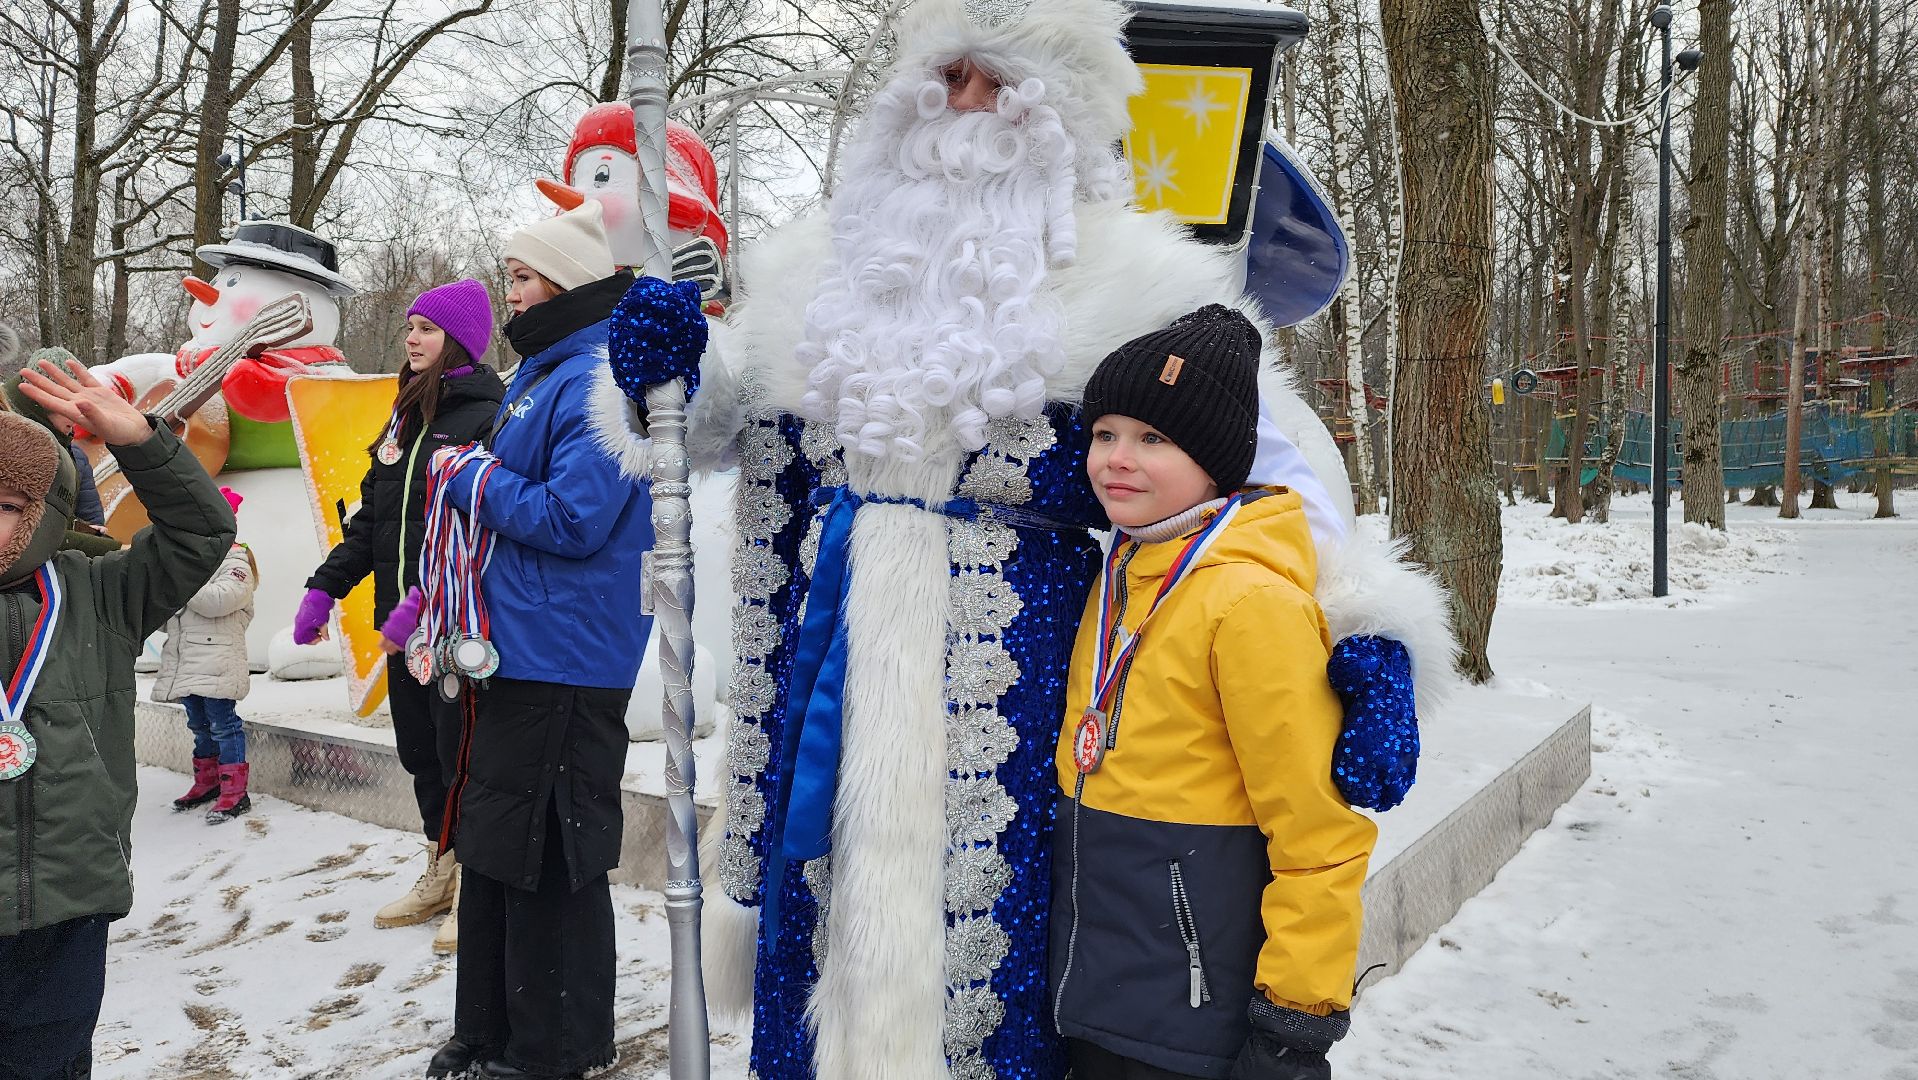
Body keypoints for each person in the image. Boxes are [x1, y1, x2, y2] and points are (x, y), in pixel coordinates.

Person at [607, 1, 1447, 1075]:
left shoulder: (1137, 282)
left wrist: (1367, 629)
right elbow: (711, 437)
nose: (960, 105)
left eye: (996, 81)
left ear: (1062, 110)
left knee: (994, 984)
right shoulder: (813, 270)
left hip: (1024, 697)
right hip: (828, 672)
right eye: (945, 73)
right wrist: (666, 373)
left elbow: (1272, 478)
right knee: (819, 951)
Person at [417, 203, 706, 1080]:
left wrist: (472, 477)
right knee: (498, 849)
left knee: (547, 855)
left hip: (566, 657)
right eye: (509, 274)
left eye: (522, 275)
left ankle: (553, 1047)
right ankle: (492, 1030)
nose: (510, 290)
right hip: (513, 651)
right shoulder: (538, 371)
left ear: (569, 283)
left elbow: (576, 519)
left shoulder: (597, 378)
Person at [1050, 308, 1375, 1080]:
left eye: (1155, 439)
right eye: (1105, 433)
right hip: (1094, 1004)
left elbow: (1319, 840)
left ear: (1217, 461)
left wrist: (1291, 1033)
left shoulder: (1251, 605)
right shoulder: (1120, 573)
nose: (1117, 460)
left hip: (1194, 1028)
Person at [0, 359, 236, 1080]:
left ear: (43, 511)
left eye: (6, 503)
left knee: (48, 1063)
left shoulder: (104, 595)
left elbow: (200, 533)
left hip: (61, 904)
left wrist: (142, 442)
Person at [295, 278, 506, 952]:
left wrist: (427, 597)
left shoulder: (486, 418)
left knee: (460, 755)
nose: (411, 339)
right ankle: (439, 867)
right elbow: (373, 523)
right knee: (420, 753)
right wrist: (325, 587)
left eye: (426, 329)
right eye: (410, 327)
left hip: (455, 630)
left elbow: (484, 535)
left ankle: (477, 881)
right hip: (399, 626)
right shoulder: (401, 418)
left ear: (461, 344)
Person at [154, 486, 259, 823]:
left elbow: (220, 599)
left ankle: (234, 792)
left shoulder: (236, 559)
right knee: (199, 725)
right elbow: (173, 611)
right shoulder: (192, 560)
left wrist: (180, 582)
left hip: (217, 660)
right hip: (187, 661)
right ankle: (208, 782)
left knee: (223, 725)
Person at [6, 357, 118, 555]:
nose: (75, 416)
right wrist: (97, 545)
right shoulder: (8, 446)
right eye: (67, 404)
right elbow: (26, 533)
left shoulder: (77, 458)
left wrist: (91, 533)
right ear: (43, 402)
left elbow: (88, 518)